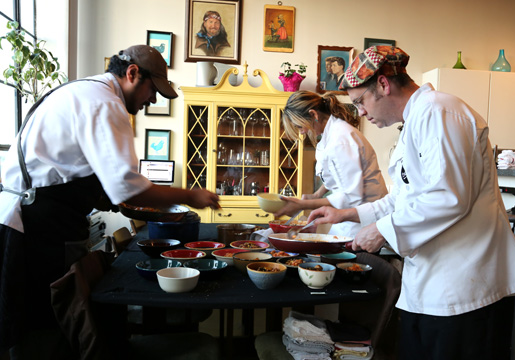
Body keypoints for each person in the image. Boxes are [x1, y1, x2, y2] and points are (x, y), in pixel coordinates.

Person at [308, 45, 515, 360]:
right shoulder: (417, 119)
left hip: (463, 290)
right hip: (434, 287)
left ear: (384, 85)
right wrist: (347, 213)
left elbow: (447, 196)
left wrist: (381, 231)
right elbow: (404, 199)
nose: (359, 112)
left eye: (360, 100)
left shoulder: (439, 112)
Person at [0, 44, 220, 359]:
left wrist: (118, 201)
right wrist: (191, 195)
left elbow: (95, 182)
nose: (152, 100)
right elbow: (127, 187)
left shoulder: (84, 92)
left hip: (32, 220)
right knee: (48, 328)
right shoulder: (105, 103)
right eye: (152, 90)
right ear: (132, 73)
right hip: (37, 230)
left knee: (49, 325)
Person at [274, 90, 387, 238]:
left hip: (364, 222)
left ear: (314, 115)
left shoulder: (340, 140)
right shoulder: (331, 135)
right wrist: (317, 195)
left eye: (299, 126)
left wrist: (302, 205)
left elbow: (351, 197)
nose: (301, 132)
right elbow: (337, 175)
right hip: (348, 220)